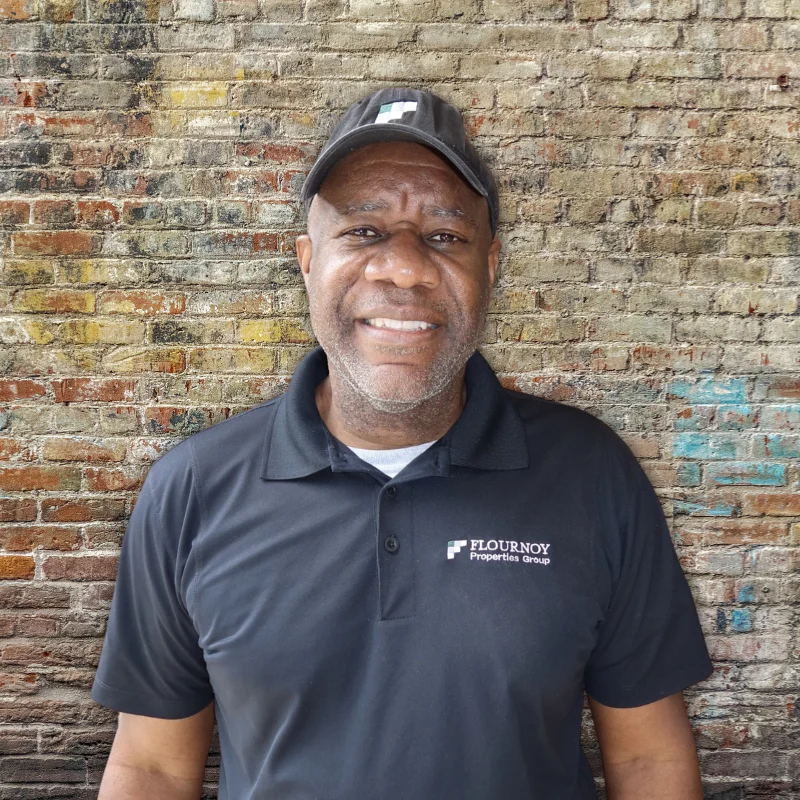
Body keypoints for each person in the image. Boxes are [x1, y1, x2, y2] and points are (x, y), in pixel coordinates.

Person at [91, 87, 714, 799]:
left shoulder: (592, 473)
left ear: (491, 265)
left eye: (446, 236)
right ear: (305, 259)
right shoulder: (192, 489)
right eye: (363, 232)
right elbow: (153, 767)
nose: (406, 268)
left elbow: (645, 761)